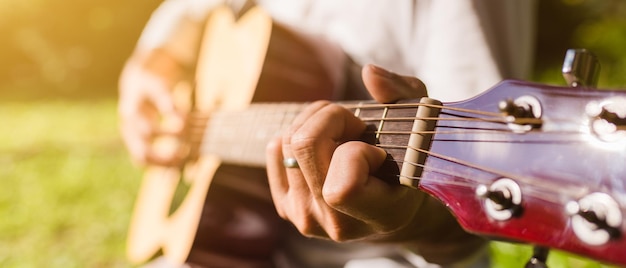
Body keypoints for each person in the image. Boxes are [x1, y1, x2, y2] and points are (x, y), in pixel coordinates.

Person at [118, 0, 536, 267]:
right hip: (219, 245)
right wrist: (154, 57)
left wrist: (410, 219)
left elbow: (478, 173)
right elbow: (190, 11)